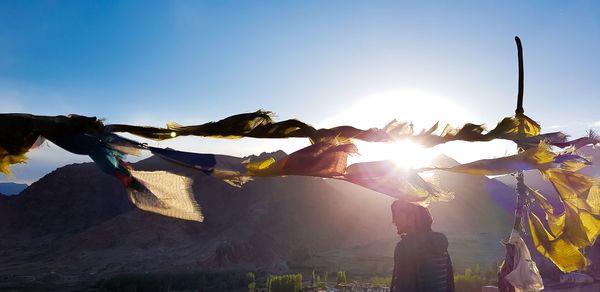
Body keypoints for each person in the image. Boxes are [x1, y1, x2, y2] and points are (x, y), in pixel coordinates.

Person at [390, 200, 455, 292]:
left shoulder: (405, 248)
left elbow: (403, 287)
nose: (394, 221)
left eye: (397, 215)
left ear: (412, 217)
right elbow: (450, 285)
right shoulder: (440, 246)